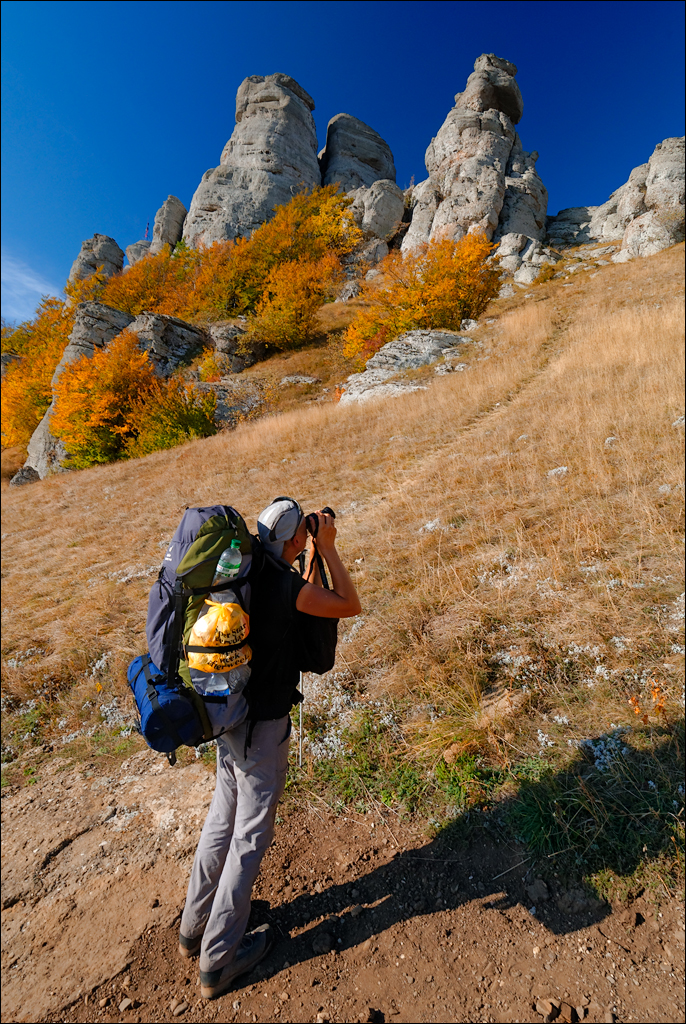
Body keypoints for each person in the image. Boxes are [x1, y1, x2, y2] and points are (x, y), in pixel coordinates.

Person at [178, 497, 361, 1000]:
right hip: (263, 727)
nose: (306, 538)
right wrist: (329, 549)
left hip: (228, 715)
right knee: (250, 836)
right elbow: (349, 603)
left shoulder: (243, 568)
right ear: (289, 539)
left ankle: (193, 928)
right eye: (300, 533)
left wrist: (306, 542)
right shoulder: (288, 587)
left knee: (222, 819)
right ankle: (218, 960)